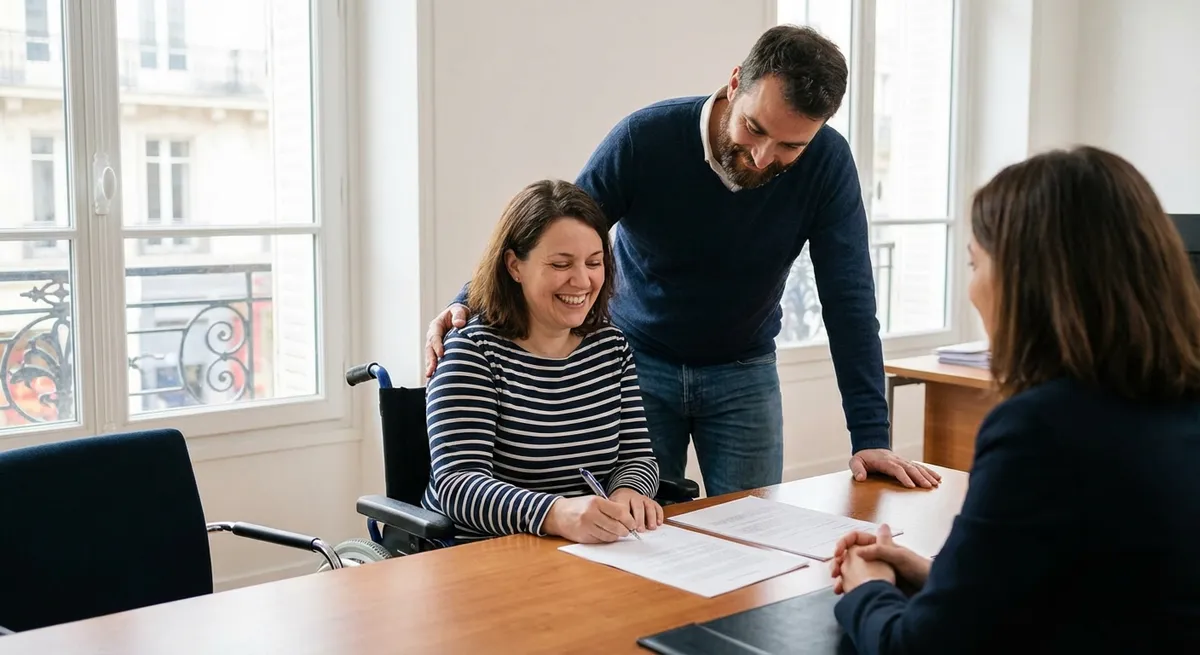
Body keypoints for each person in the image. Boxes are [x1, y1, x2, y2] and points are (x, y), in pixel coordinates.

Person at [425, 25, 940, 497]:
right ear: (735, 83)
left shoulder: (827, 162)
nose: (764, 157)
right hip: (637, 362)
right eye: (754, 128)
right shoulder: (645, 138)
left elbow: (849, 299)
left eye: (790, 146)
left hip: (744, 368)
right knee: (638, 528)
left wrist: (871, 436)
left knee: (755, 533)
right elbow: (554, 230)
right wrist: (467, 301)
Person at [829, 146, 1200, 652]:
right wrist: (933, 574)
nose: (971, 289)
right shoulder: (1177, 406)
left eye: (974, 263)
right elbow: (1102, 585)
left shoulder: (1040, 430)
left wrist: (867, 586)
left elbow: (918, 647)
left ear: (1027, 283)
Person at [422, 179, 664, 545]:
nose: (582, 280)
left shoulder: (610, 347)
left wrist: (628, 490)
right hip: (485, 551)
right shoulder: (472, 351)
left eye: (594, 262)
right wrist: (556, 514)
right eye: (561, 264)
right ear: (514, 266)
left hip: (582, 549)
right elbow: (459, 486)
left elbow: (636, 457)